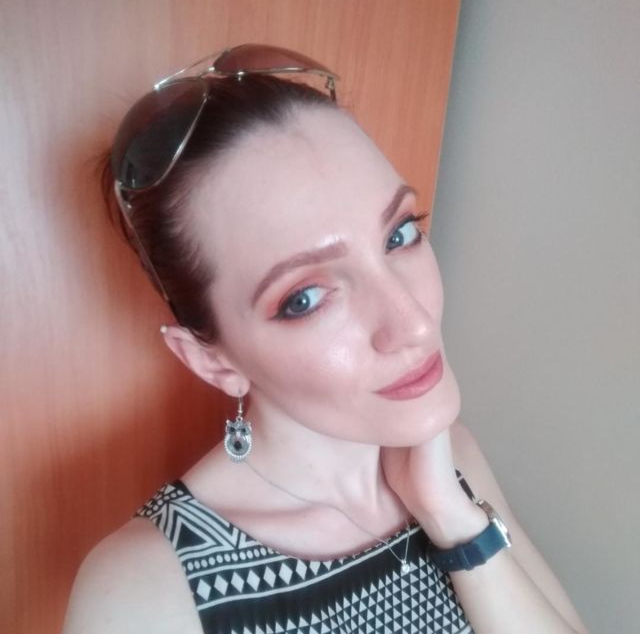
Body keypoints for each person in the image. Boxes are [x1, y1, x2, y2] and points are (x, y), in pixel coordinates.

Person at [63, 44, 587, 634]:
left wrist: (452, 518)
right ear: (212, 361)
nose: (414, 323)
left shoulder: (449, 457)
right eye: (304, 298)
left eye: (399, 235)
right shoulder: (146, 589)